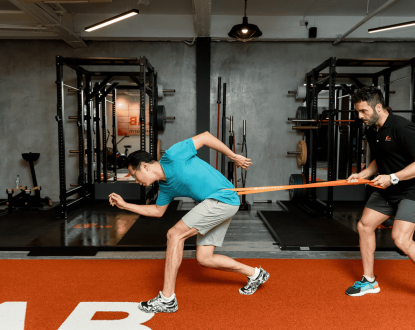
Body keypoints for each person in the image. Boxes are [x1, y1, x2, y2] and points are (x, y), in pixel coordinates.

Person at [109, 131, 269, 313]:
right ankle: (255, 274)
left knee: (174, 234)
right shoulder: (166, 186)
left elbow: (206, 137)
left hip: (222, 199)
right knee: (204, 258)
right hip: (222, 203)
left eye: (134, 175)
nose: (136, 181)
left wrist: (234, 157)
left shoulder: (173, 155)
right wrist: (125, 205)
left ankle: (167, 299)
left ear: (144, 166)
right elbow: (157, 211)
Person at [346, 86, 415, 297]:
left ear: (378, 106)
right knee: (365, 226)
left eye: (363, 111)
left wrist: (393, 177)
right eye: (357, 111)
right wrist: (364, 173)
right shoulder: (371, 129)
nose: (360, 116)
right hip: (386, 188)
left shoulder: (402, 127)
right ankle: (369, 281)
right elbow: (381, 158)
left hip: (410, 189)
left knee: (401, 239)